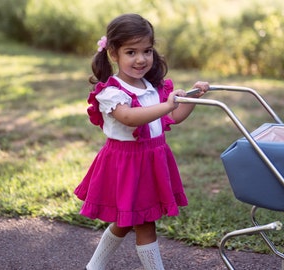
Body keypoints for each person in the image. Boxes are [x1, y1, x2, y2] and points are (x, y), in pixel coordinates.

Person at [74, 13, 209, 270]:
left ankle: (94, 267)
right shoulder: (111, 92)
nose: (141, 59)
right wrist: (166, 103)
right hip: (126, 165)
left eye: (147, 50)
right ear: (113, 53)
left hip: (151, 161)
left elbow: (174, 117)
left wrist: (191, 98)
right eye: (131, 52)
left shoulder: (151, 86)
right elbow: (129, 118)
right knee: (145, 223)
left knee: (125, 222)